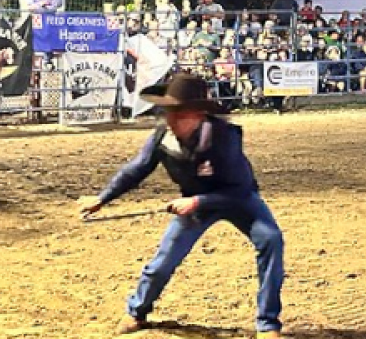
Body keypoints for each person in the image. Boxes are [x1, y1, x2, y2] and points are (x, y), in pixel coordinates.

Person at [78, 74, 285, 339]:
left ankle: (267, 323)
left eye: (179, 113)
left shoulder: (224, 137)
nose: (171, 119)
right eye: (169, 113)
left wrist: (198, 201)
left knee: (271, 239)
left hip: (236, 198)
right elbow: (137, 169)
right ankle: (137, 311)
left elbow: (240, 189)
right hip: (194, 203)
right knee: (164, 259)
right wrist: (103, 198)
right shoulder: (164, 137)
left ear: (198, 115)